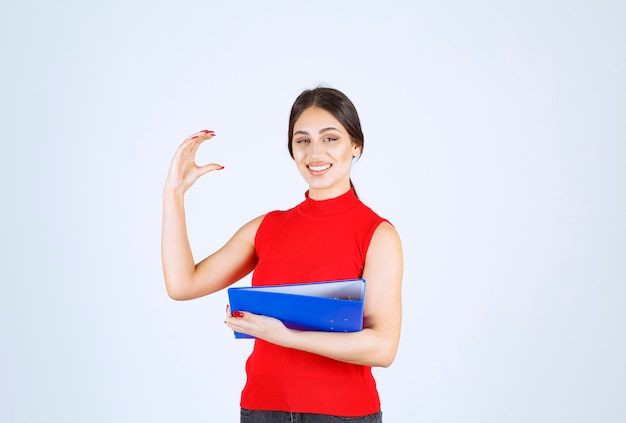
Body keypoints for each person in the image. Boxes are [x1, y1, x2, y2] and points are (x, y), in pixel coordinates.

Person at [161, 87, 403, 422]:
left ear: (355, 146)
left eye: (330, 138)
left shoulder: (378, 234)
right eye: (302, 140)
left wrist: (286, 337)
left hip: (343, 415)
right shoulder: (266, 227)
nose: (315, 152)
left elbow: (383, 348)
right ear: (291, 149)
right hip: (262, 410)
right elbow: (182, 285)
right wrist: (174, 192)